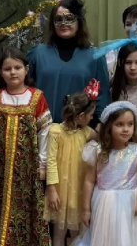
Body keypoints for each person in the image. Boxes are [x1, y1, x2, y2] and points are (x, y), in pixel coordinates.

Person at [0, 47, 53, 246]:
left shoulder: (37, 97)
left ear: (26, 69)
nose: (13, 72)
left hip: (28, 169)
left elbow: (45, 133)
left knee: (27, 210)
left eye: (17, 67)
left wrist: (43, 164)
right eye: (7, 69)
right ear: (0, 72)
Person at [70, 101, 137, 246]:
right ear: (109, 127)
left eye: (130, 124)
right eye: (119, 124)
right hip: (104, 204)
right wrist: (86, 209)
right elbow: (89, 181)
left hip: (131, 204)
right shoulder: (97, 151)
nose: (126, 129)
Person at [29, 0, 111, 123]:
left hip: (81, 130)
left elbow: (102, 96)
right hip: (42, 128)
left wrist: (98, 126)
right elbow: (24, 90)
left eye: (69, 18)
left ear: (79, 21)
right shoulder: (38, 53)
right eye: (58, 19)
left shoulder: (95, 56)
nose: (63, 23)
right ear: (53, 24)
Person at [46, 84, 99, 246]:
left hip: (79, 189)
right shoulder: (55, 131)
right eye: (90, 115)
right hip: (60, 191)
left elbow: (101, 140)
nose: (92, 118)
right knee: (59, 233)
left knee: (80, 233)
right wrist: (52, 189)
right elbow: (51, 161)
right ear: (81, 116)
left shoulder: (87, 132)